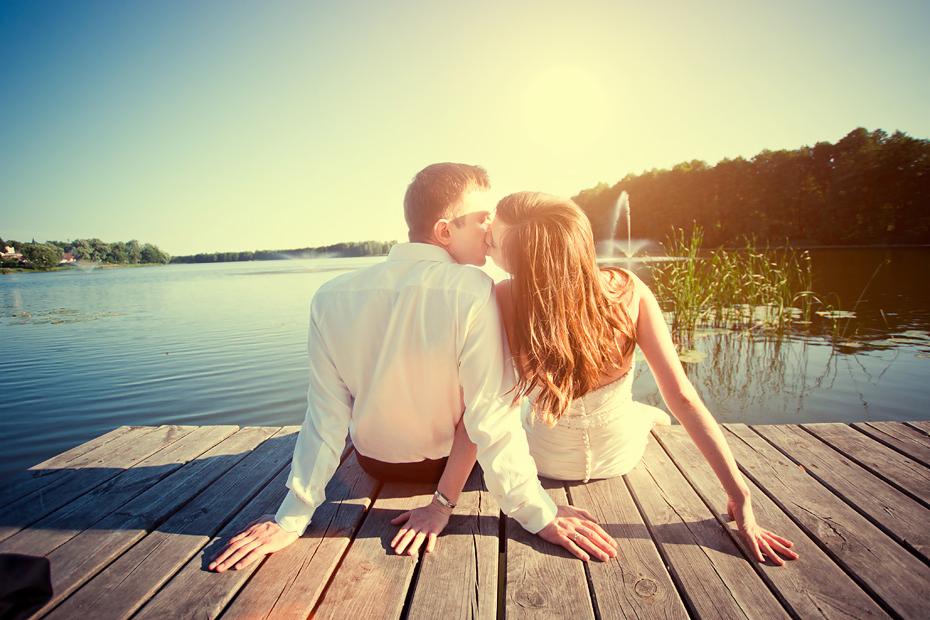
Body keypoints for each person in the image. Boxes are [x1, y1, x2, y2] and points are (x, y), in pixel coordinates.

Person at [208, 166, 617, 573]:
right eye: (481, 218)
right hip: (445, 467)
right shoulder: (473, 290)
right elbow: (491, 419)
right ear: (444, 232)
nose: (491, 229)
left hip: (373, 462)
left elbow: (325, 414)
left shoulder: (329, 297)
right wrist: (539, 514)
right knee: (500, 397)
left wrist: (292, 516)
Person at [481, 191, 799, 565]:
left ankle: (643, 416)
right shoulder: (626, 290)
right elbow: (682, 397)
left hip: (546, 461)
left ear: (524, 263)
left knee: (527, 414)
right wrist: (740, 496)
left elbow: (489, 407)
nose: (487, 244)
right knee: (652, 411)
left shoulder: (502, 296)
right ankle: (646, 416)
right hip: (620, 457)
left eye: (494, 241)